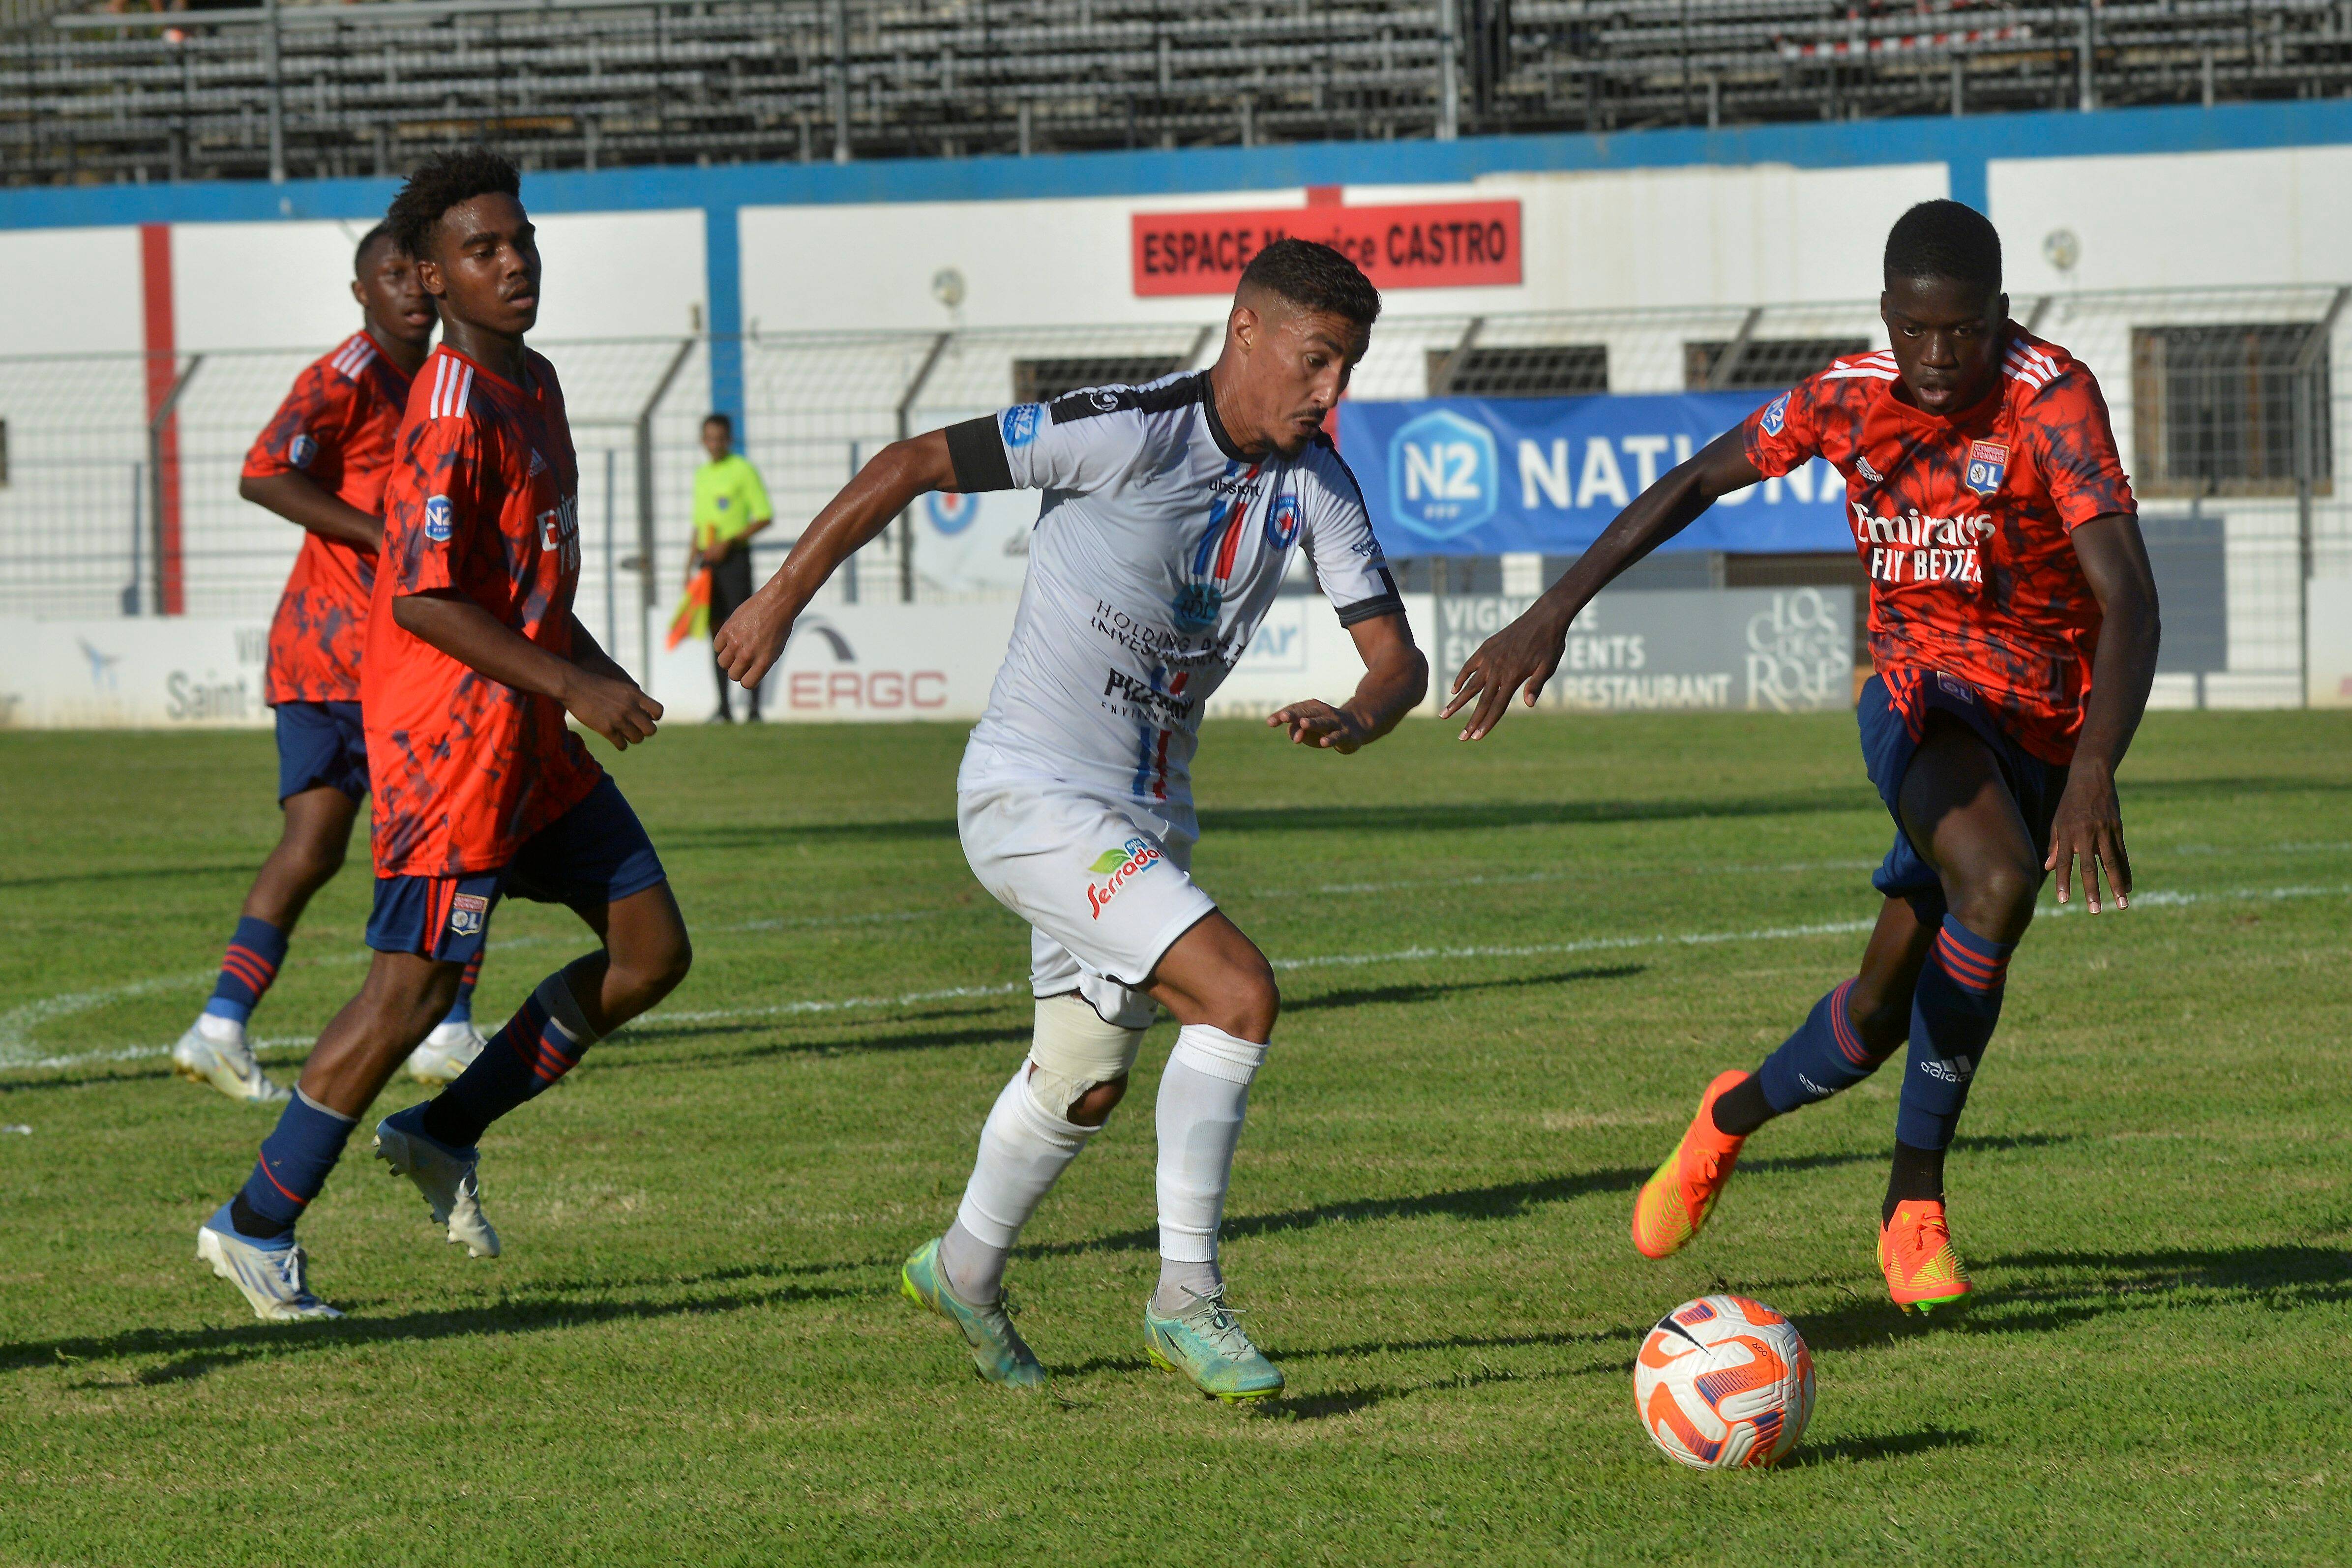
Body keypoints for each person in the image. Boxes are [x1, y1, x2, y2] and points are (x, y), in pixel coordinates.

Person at [715, 239, 1427, 1398]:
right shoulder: (1125, 430)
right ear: (1245, 331)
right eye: (1316, 359)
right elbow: (912, 461)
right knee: (1238, 993)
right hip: (1030, 792)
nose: (1330, 389)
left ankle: (962, 1267)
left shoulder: (1318, 486)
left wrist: (1359, 714)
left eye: (1347, 366)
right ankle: (1185, 1298)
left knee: (1086, 1074)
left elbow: (1398, 661)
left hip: (1147, 814)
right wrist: (780, 598)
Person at [1443, 200, 2160, 1313]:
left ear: (2000, 315)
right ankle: (1912, 1207)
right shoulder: (1844, 396)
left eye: (1962, 331)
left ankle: (1724, 1116)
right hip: (1918, 696)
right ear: (1885, 314)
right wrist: (1553, 608)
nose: (1936, 356)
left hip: (2040, 723)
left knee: (1875, 1015)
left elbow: (2129, 598)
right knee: (1997, 880)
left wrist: (2092, 767)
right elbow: (1696, 480)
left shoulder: (2049, 395)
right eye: (1915, 330)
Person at [195, 149, 693, 1321]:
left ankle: (442, 1130)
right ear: (431, 277)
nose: (514, 263)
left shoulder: (537, 382)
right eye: (483, 250)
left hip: (529, 737)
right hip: (450, 750)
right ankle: (255, 1223)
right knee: (406, 997)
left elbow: (521, 578)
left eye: (522, 241)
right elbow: (424, 597)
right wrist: (571, 683)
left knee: (650, 951)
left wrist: (591, 671)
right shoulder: (448, 414)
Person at [171, 223, 489, 1106]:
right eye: (390, 275)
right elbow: (264, 471)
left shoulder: (436, 378)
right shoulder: (348, 372)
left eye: (418, 273)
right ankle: (442, 1029)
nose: (411, 289)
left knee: (336, 845)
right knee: (440, 833)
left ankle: (221, 1026)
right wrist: (381, 534)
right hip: (338, 652)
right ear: (361, 292)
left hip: (387, 654)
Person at [685, 413, 774, 722]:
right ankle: (724, 708)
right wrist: (689, 566)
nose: (715, 444)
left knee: (747, 630)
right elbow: (699, 525)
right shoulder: (702, 474)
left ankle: (754, 708)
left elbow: (764, 516)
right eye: (710, 438)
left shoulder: (743, 470)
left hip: (735, 559)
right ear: (703, 440)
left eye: (720, 438)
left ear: (729, 439)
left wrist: (730, 542)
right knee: (716, 633)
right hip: (708, 563)